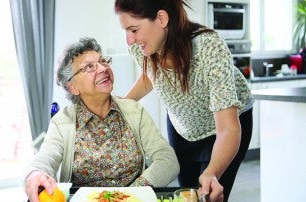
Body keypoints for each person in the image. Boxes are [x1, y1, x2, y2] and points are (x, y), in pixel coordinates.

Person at [114, 0, 254, 201]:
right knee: (186, 195)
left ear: (162, 18)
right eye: (125, 30)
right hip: (182, 127)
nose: (129, 40)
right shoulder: (140, 46)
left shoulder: (208, 46)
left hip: (224, 128)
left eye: (134, 29)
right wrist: (125, 102)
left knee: (207, 193)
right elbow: (151, 75)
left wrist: (211, 173)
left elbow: (228, 129)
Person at [23, 37, 179, 202]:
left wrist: (128, 195)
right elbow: (45, 158)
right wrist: (35, 173)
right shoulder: (63, 122)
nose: (103, 69)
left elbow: (168, 160)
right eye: (89, 67)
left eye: (103, 62)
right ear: (72, 87)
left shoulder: (134, 111)